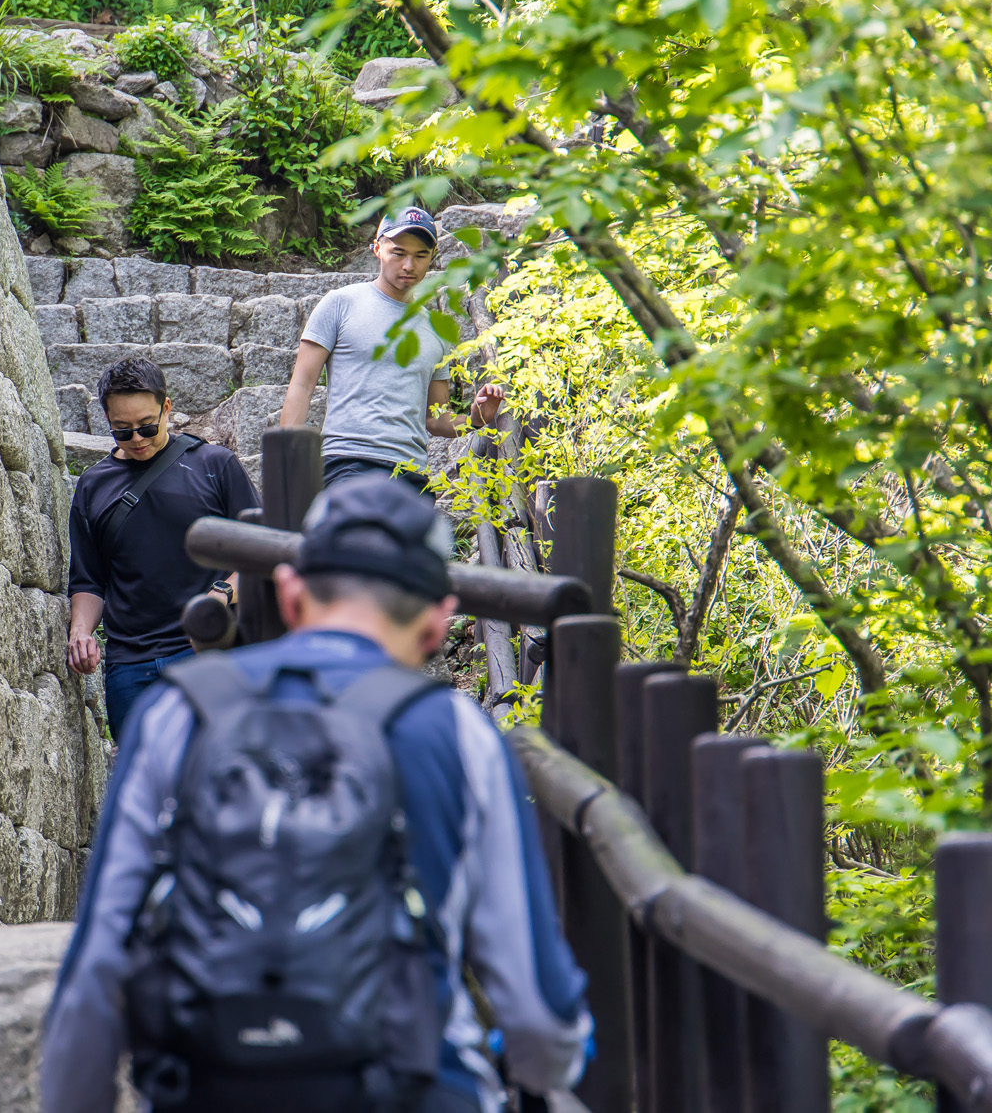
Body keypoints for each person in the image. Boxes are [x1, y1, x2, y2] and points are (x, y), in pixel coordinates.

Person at [42, 475, 591, 1113]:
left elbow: (93, 975)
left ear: (291, 592)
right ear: (438, 622)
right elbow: (540, 1016)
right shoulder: (457, 734)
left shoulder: (178, 713)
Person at [68, 357, 258, 742]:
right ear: (107, 420)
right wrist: (81, 631)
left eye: (147, 426)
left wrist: (222, 593)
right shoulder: (92, 486)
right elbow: (89, 580)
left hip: (208, 652)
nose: (137, 439)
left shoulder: (215, 465)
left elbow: (258, 554)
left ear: (166, 408)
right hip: (129, 667)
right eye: (122, 430)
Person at [279, 205, 506, 490]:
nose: (409, 265)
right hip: (347, 462)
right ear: (377, 249)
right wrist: (285, 465)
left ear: (433, 256)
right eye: (398, 253)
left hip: (410, 473)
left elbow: (435, 419)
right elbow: (302, 386)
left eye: (420, 255)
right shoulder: (340, 304)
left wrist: (476, 417)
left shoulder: (436, 329)